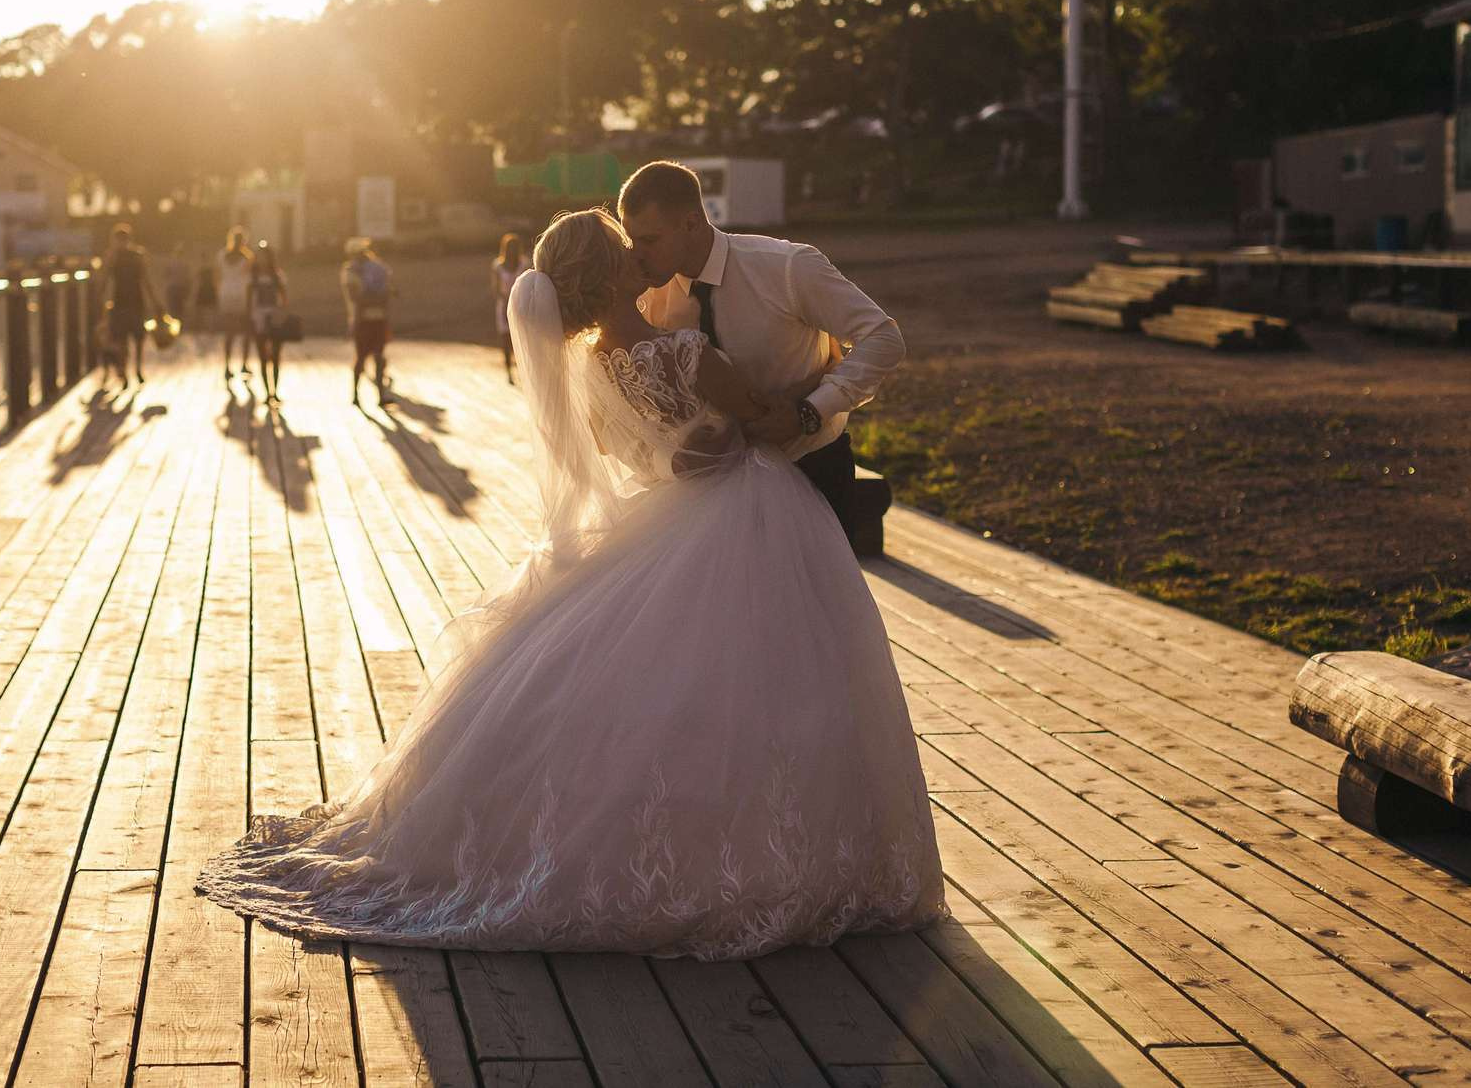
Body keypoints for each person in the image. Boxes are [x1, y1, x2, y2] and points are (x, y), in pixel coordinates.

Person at [197, 207, 942, 958]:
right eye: (626, 247)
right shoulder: (686, 350)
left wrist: (685, 454)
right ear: (609, 270)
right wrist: (811, 384)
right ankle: (775, 851)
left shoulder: (588, 368)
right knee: (779, 681)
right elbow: (764, 419)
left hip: (669, 515)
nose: (638, 252)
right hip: (752, 510)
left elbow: (642, 453)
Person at [621, 160, 904, 539]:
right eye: (631, 241)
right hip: (708, 492)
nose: (636, 255)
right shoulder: (645, 295)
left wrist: (810, 411)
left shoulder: (786, 267)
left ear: (690, 222)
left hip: (811, 467)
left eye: (650, 240)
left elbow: (883, 338)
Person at [98, 223, 159, 385]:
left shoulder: (132, 256)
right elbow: (105, 279)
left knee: (135, 339)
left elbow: (145, 280)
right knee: (124, 339)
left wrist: (154, 301)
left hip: (131, 301)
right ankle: (126, 371)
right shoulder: (118, 257)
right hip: (123, 302)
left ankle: (134, 369)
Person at [341, 237, 393, 407]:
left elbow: (385, 295)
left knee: (378, 357)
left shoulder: (378, 270)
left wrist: (373, 298)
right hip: (361, 321)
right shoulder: (350, 273)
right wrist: (376, 298)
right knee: (361, 358)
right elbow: (356, 298)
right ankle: (355, 393)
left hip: (378, 319)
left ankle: (381, 395)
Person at [247, 242, 289, 405]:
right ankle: (267, 391)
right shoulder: (253, 277)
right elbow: (249, 299)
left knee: (276, 356)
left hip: (274, 315)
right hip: (258, 316)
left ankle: (275, 390)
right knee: (263, 356)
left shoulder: (277, 276)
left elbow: (284, 299)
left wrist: (282, 313)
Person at [489, 232, 530, 383]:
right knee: (506, 339)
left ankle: (523, 370)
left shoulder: (524, 264)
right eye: (510, 248)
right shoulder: (498, 266)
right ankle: (509, 372)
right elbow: (496, 288)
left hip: (520, 304)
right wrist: (506, 299)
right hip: (504, 304)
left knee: (521, 339)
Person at [215, 228, 254, 382]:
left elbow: (217, 277)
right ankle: (244, 363)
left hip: (226, 294)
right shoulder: (248, 257)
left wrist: (220, 292)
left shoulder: (221, 256)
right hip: (242, 294)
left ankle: (227, 365)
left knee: (229, 332)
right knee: (246, 331)